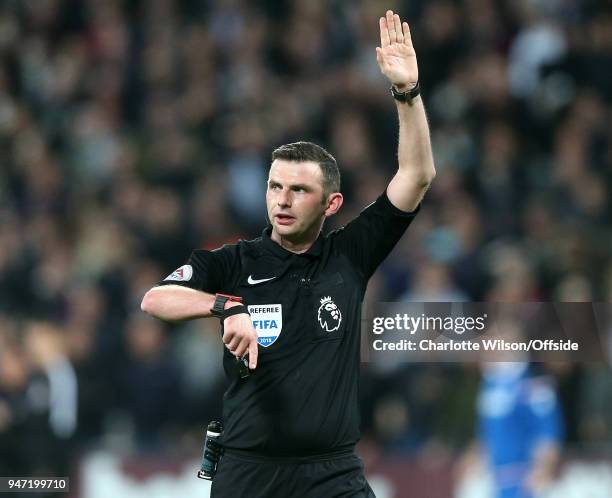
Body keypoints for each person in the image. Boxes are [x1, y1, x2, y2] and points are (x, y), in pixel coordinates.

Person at [141, 10, 435, 498]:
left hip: (332, 474)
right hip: (249, 472)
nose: (281, 199)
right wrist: (226, 305)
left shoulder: (350, 254)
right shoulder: (236, 262)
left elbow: (416, 176)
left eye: (298, 190)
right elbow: (156, 299)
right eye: (275, 186)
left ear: (331, 204)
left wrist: (406, 93)